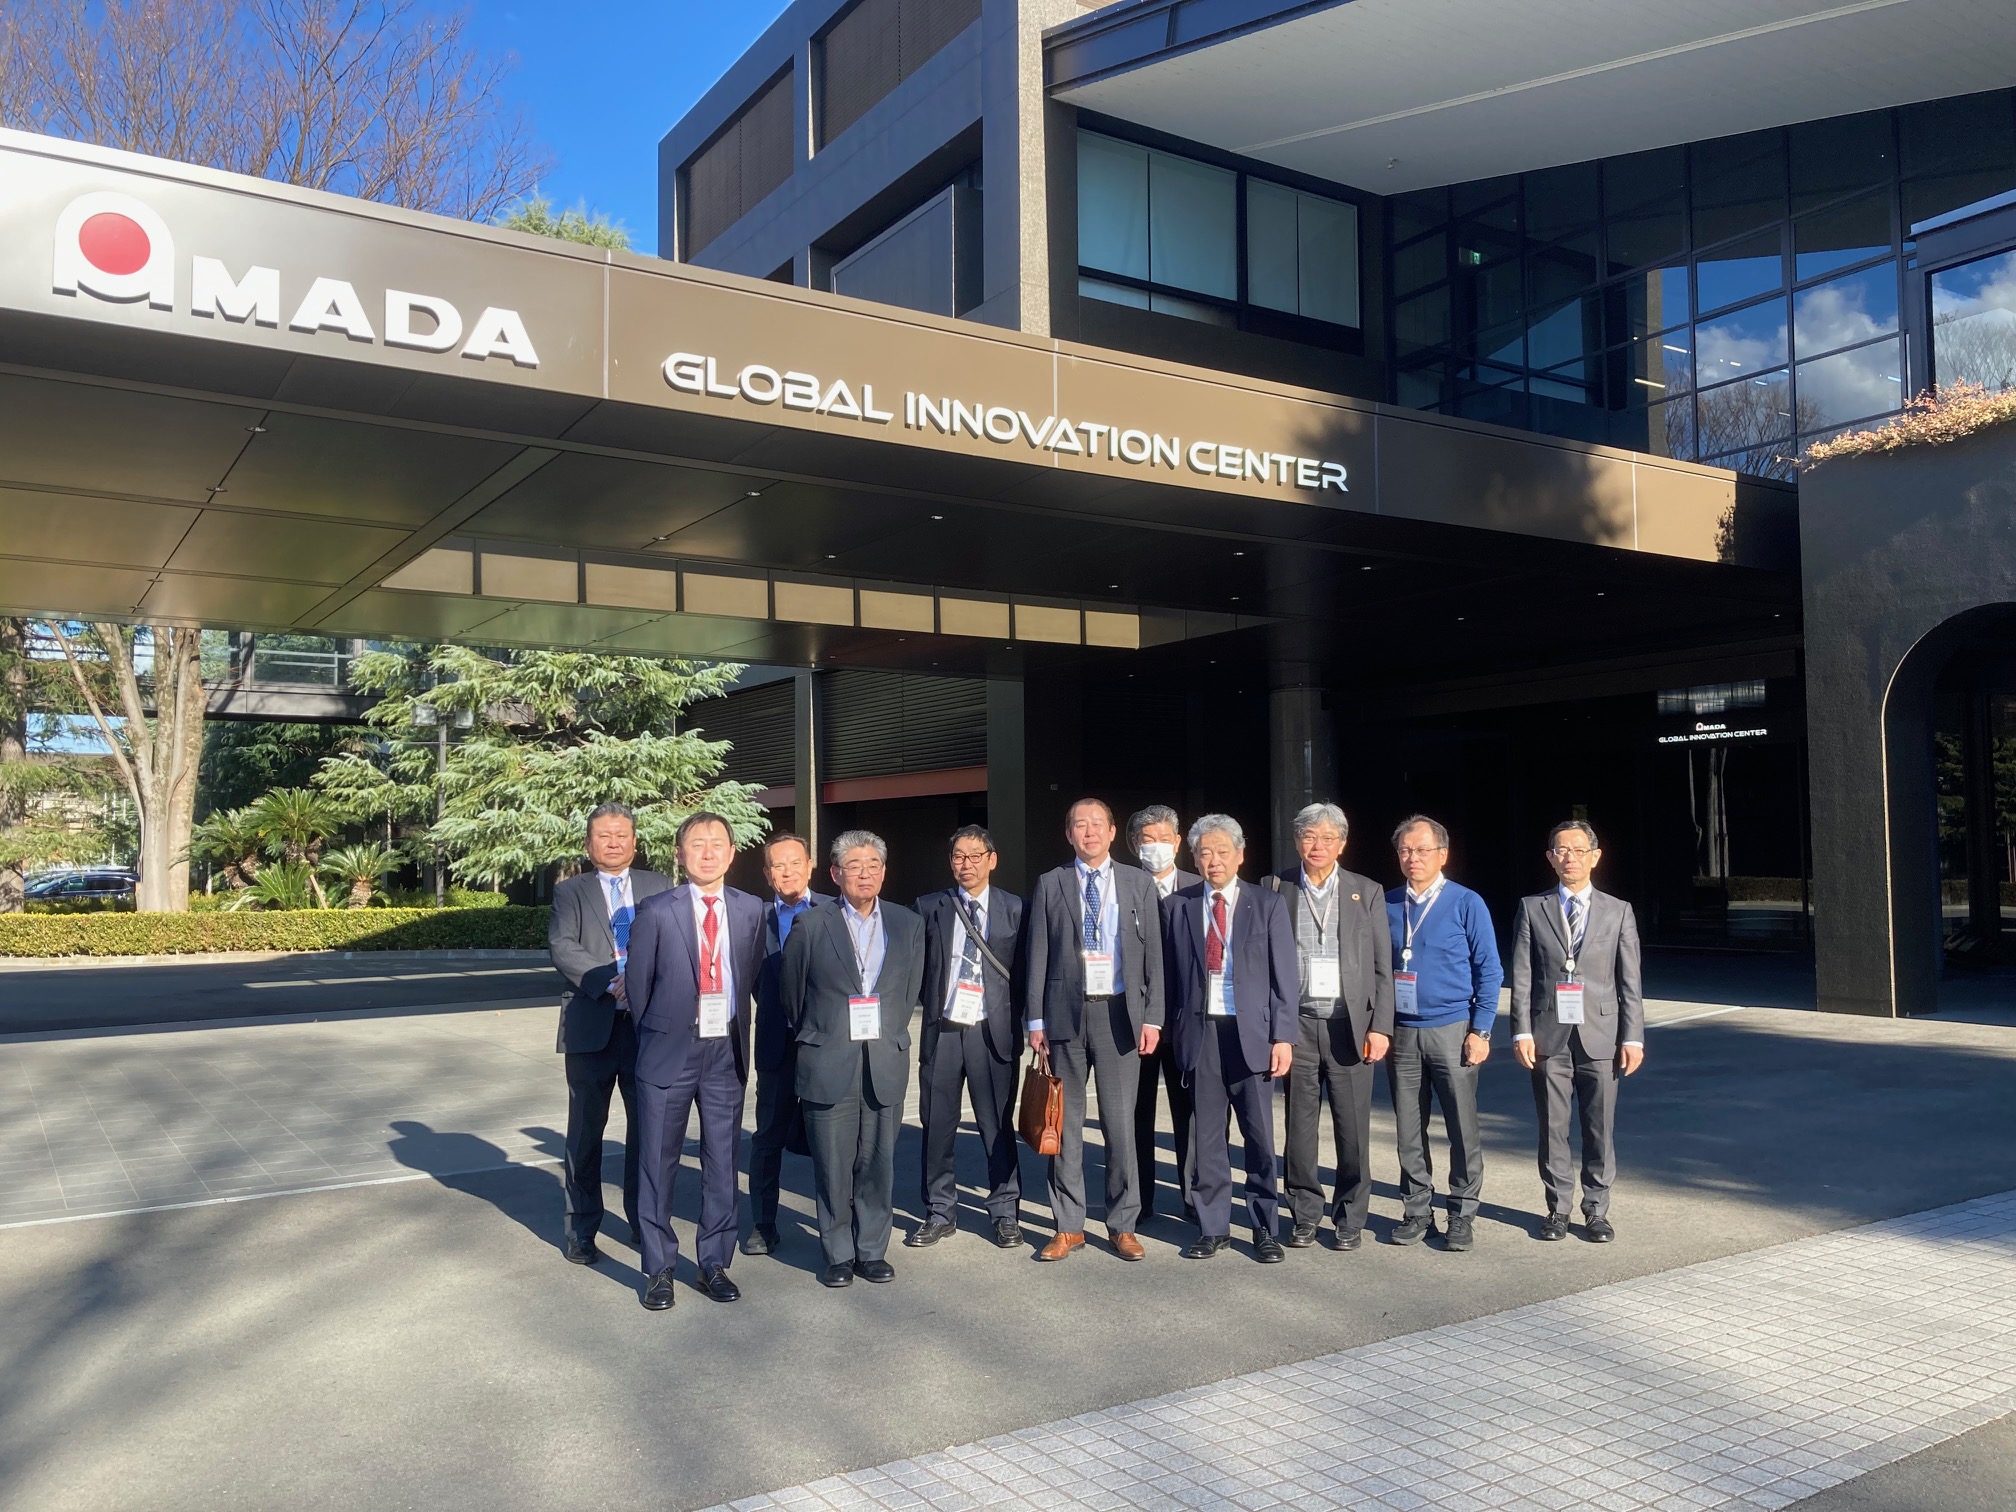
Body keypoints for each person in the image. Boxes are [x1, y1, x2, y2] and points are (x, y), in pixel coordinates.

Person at [625, 811, 764, 1310]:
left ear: (732, 853)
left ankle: (714, 1263)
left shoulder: (751, 909)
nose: (708, 852)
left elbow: (752, 974)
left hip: (725, 1049)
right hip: (669, 1051)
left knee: (722, 1161)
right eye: (697, 843)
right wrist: (662, 1033)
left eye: (717, 843)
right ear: (680, 854)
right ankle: (659, 1268)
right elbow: (638, 987)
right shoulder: (656, 910)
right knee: (656, 1162)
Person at [779, 829, 926, 1288]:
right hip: (828, 1058)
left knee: (878, 1163)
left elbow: (909, 991)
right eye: (854, 866)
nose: (865, 874)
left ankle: (872, 1251)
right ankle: (838, 1254)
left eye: (873, 865)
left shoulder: (907, 923)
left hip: (883, 1058)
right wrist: (824, 1033)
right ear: (835, 873)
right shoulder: (811, 924)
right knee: (832, 1165)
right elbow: (792, 995)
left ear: (884, 871)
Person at [1023, 798, 1165, 1262]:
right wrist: (1035, 1020)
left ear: (1112, 831)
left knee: (1120, 1126)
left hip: (1119, 1015)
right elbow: (1038, 953)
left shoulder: (1138, 882)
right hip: (1064, 1015)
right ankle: (1068, 1226)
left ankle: (1123, 1224)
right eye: (1079, 825)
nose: (1089, 832)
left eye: (1097, 824)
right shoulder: (1051, 882)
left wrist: (1153, 1017)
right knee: (1064, 1126)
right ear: (1068, 834)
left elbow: (1154, 957)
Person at [1161, 815, 1296, 1263]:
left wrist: (1283, 1036)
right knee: (1207, 1137)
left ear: (1240, 854)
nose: (1213, 860)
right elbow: (1170, 975)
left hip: (1252, 1034)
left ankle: (1264, 1226)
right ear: (1194, 858)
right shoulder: (1178, 905)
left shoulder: (1267, 904)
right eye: (1205, 853)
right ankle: (1213, 1226)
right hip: (1201, 1034)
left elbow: (1284, 976)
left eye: (1222, 851)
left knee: (1258, 1136)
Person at [546, 803, 671, 1266]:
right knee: (585, 1133)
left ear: (635, 842)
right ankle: (582, 1229)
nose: (614, 842)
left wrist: (642, 983)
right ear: (588, 843)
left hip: (648, 1028)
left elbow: (674, 942)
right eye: (604, 835)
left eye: (621, 834)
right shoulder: (570, 891)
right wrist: (612, 981)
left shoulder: (660, 886)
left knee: (648, 1131)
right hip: (591, 1027)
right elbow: (562, 946)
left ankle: (644, 1220)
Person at [1509, 820, 1645, 1244]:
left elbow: (1630, 981)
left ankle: (1596, 1210)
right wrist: (1521, 1031)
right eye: (1561, 850)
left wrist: (1633, 1037)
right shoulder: (1532, 908)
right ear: (1550, 858)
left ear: (1595, 857)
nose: (1570, 857)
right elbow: (1522, 975)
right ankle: (1558, 1209)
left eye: (1578, 850)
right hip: (1548, 1035)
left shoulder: (1618, 910)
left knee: (1599, 1127)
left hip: (1602, 1036)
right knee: (1552, 1128)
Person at [1266, 802, 1392, 1252]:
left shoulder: (1366, 890)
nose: (1317, 845)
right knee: (1299, 1128)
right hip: (1297, 1024)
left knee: (1352, 1127)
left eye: (1327, 837)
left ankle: (1350, 1216)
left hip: (1349, 1025)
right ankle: (1304, 1213)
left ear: (1342, 843)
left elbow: (1382, 965)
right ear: (1296, 841)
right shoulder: (1275, 887)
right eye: (1308, 836)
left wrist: (1380, 1026)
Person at [1384, 815, 1503, 1253]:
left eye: (1421, 850)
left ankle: (1462, 1213)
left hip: (1453, 1029)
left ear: (1443, 854)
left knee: (1461, 1127)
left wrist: (1481, 1029)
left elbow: (1489, 969)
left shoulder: (1466, 902)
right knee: (1408, 1129)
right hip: (1402, 1032)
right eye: (1405, 850)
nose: (1412, 858)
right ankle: (1417, 1210)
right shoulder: (1387, 903)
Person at [910, 825, 1025, 1250]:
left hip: (991, 1031)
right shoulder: (929, 907)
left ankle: (1005, 1212)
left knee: (996, 1126)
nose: (966, 864)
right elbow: (916, 969)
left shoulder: (1016, 908)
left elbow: (1026, 972)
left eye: (975, 855)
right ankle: (939, 1211)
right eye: (959, 856)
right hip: (943, 1030)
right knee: (937, 1124)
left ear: (992, 860)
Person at [742, 832, 827, 1257]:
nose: (788, 871)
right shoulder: (753, 919)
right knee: (767, 1138)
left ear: (810, 865)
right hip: (776, 1045)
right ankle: (763, 1224)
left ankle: (837, 1227)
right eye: (778, 865)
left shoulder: (834, 910)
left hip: (827, 1047)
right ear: (767, 873)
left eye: (796, 862)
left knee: (832, 1140)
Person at [1128, 804, 1200, 1224]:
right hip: (1136, 1021)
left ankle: (1194, 1196)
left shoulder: (1198, 887)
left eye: (1163, 839)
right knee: (1137, 1112)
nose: (1155, 846)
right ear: (1134, 844)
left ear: (1178, 842)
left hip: (1186, 1019)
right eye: (1147, 840)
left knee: (1190, 1111)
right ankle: (1139, 1200)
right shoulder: (1123, 886)